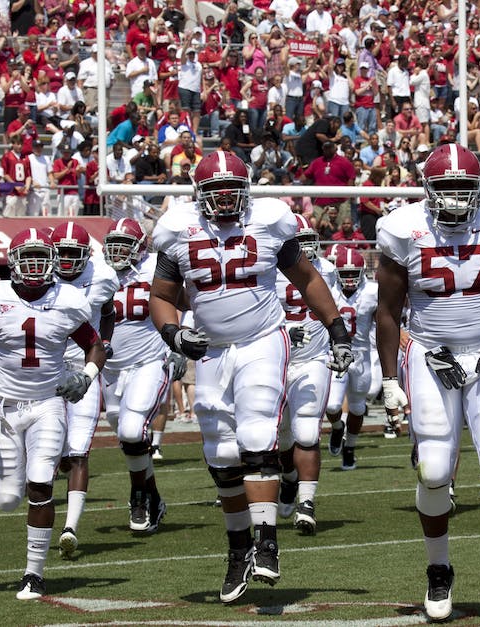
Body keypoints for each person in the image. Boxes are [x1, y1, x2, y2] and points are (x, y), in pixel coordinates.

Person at [149, 150, 352, 604]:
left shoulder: (270, 220)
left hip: (263, 339)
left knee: (258, 433)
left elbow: (307, 278)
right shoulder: (178, 229)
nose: (224, 200)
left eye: (232, 191)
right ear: (198, 195)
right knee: (220, 453)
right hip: (213, 350)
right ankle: (239, 548)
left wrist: (335, 327)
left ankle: (267, 542)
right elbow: (161, 296)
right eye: (215, 192)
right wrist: (173, 334)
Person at [375, 144, 480, 620]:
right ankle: (438, 570)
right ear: (428, 190)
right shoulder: (402, 229)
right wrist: (390, 378)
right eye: (444, 188)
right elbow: (387, 312)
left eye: (462, 188)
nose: (453, 199)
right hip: (431, 356)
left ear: (479, 189)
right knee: (433, 469)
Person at [0, 227, 106, 599]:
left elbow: (95, 345)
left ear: (53, 262)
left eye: (41, 258)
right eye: (27, 259)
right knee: (8, 498)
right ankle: (12, 499)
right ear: (12, 262)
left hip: (48, 404)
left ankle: (34, 574)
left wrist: (86, 376)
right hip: (7, 408)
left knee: (41, 481)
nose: (34, 266)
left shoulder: (68, 300)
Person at [101, 218, 181, 534]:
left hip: (149, 361)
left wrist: (177, 345)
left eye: (125, 244)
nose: (118, 251)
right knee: (128, 438)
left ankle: (137, 498)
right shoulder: (96, 271)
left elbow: (181, 304)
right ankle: (154, 497)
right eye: (114, 244)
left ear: (140, 247)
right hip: (110, 368)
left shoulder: (155, 269)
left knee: (134, 431)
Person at [50, 222, 120, 558]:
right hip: (46, 371)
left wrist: (104, 344)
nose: (64, 260)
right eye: (59, 252)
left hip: (83, 367)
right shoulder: (36, 277)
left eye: (71, 253)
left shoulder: (102, 276)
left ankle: (70, 527)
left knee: (79, 450)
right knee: (54, 453)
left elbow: (108, 312)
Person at [274, 215, 338, 535]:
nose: (306, 247)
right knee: (283, 435)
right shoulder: (266, 270)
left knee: (308, 431)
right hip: (276, 360)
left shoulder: (327, 270)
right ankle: (288, 478)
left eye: (308, 239)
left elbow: (331, 311)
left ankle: (307, 503)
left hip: (313, 359)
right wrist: (286, 334)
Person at [324, 247, 379, 470]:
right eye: (344, 274)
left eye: (352, 273)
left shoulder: (373, 291)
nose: (348, 278)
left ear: (362, 271)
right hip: (336, 353)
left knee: (357, 408)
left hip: (362, 355)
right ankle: (338, 427)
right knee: (332, 404)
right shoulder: (328, 290)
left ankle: (350, 448)